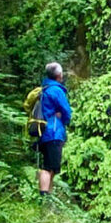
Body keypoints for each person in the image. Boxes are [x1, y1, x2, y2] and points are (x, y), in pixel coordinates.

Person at [37, 61, 72, 197]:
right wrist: (64, 119)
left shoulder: (44, 89)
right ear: (59, 75)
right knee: (48, 167)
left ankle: (48, 198)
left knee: (50, 167)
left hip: (44, 133)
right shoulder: (56, 90)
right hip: (54, 132)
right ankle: (44, 197)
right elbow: (66, 110)